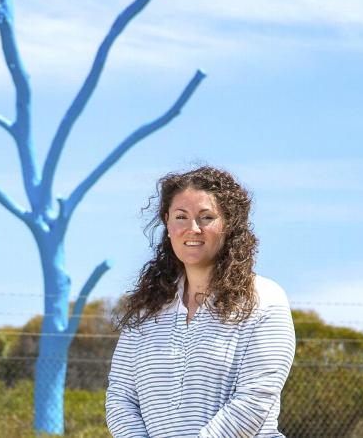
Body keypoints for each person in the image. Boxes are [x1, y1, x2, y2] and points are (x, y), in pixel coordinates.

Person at [106, 166, 295, 437]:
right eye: (181, 217)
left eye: (206, 217)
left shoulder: (264, 298)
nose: (192, 229)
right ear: (167, 223)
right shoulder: (145, 311)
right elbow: (120, 399)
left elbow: (255, 398)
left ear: (228, 224)